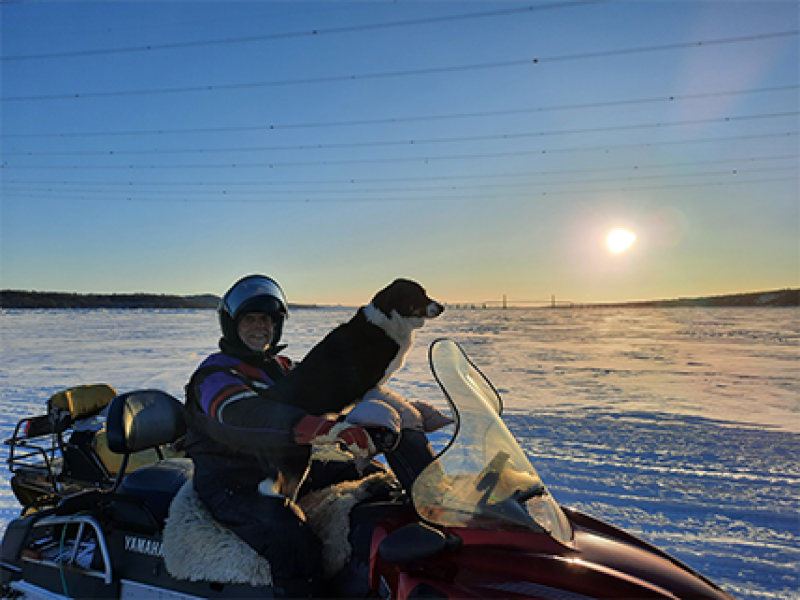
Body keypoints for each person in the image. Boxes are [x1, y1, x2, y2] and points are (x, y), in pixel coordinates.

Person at [183, 274, 448, 600]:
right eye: (249, 320)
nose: (258, 328)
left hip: (288, 463)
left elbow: (327, 395)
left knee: (377, 481)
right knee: (292, 536)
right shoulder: (214, 375)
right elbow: (243, 415)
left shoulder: (281, 367)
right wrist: (319, 429)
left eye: (266, 320)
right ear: (231, 324)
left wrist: (390, 417)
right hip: (234, 481)